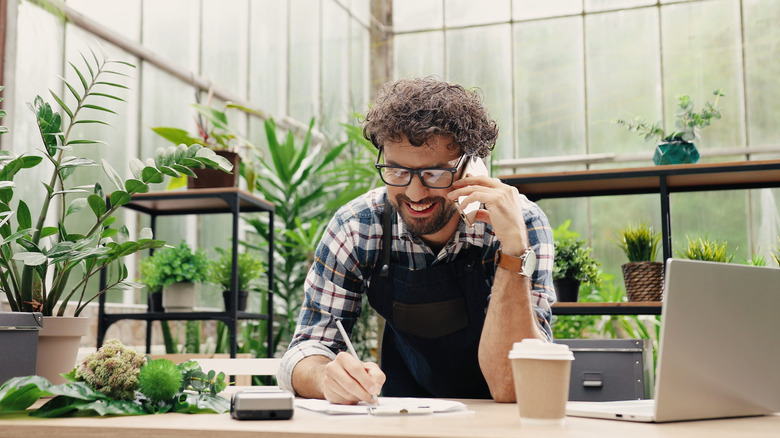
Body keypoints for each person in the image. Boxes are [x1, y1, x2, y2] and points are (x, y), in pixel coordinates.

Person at [277, 77, 554, 403]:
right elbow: (306, 349)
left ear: (472, 166)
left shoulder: (521, 225)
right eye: (397, 172)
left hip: (501, 421)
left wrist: (512, 252)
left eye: (435, 174)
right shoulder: (358, 227)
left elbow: (515, 385)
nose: (414, 192)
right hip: (403, 417)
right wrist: (326, 377)